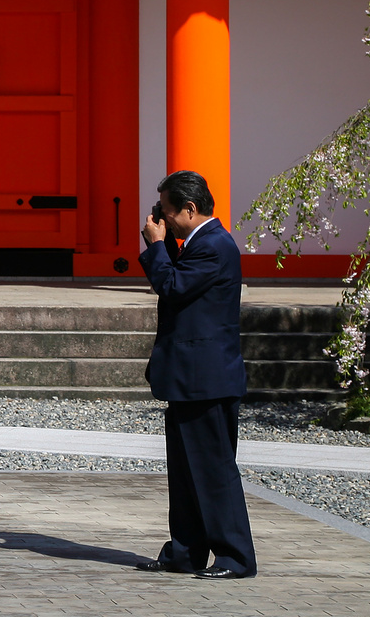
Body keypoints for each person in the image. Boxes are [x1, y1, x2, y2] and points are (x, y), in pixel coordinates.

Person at [134, 170, 257, 580]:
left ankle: (235, 557)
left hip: (207, 379)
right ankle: (185, 552)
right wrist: (164, 239)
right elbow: (177, 280)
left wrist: (155, 245)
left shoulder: (214, 247)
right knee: (186, 475)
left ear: (189, 208)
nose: (162, 219)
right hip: (190, 378)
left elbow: (172, 285)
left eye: (166, 211)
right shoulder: (197, 243)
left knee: (213, 472)